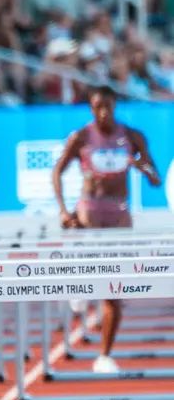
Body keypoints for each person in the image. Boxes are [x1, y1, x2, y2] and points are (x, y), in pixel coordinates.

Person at [52, 86, 161, 373]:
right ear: (90, 107)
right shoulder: (82, 137)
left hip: (120, 214)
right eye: (97, 106)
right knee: (93, 277)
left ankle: (104, 354)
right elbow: (57, 171)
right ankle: (79, 285)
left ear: (114, 105)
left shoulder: (133, 137)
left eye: (107, 106)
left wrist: (141, 167)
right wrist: (64, 211)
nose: (103, 112)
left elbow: (156, 180)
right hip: (90, 211)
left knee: (114, 287)